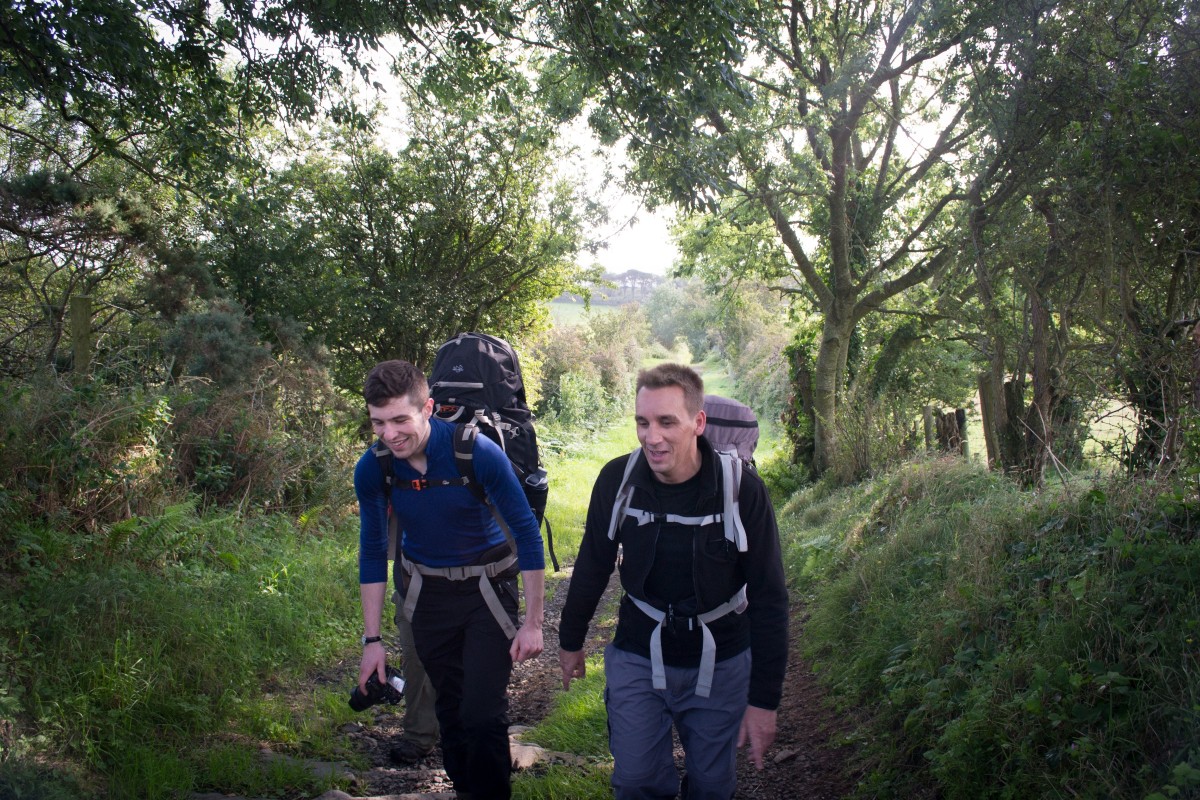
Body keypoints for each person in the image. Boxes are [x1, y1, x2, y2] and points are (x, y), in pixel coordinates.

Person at [558, 363, 788, 800]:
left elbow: (770, 597)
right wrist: (570, 641)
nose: (652, 436)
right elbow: (592, 563)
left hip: (721, 659)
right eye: (642, 422)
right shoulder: (618, 480)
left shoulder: (742, 490)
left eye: (667, 422)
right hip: (638, 651)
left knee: (713, 787)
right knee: (636, 781)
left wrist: (764, 701)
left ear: (698, 423)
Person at [356, 359, 545, 800]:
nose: (389, 434)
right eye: (378, 423)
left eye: (400, 419)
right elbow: (371, 553)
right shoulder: (375, 468)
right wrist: (372, 641)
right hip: (427, 597)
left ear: (428, 408)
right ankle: (466, 790)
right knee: (452, 711)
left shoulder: (476, 452)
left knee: (483, 714)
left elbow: (527, 535)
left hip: (486, 593)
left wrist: (534, 622)